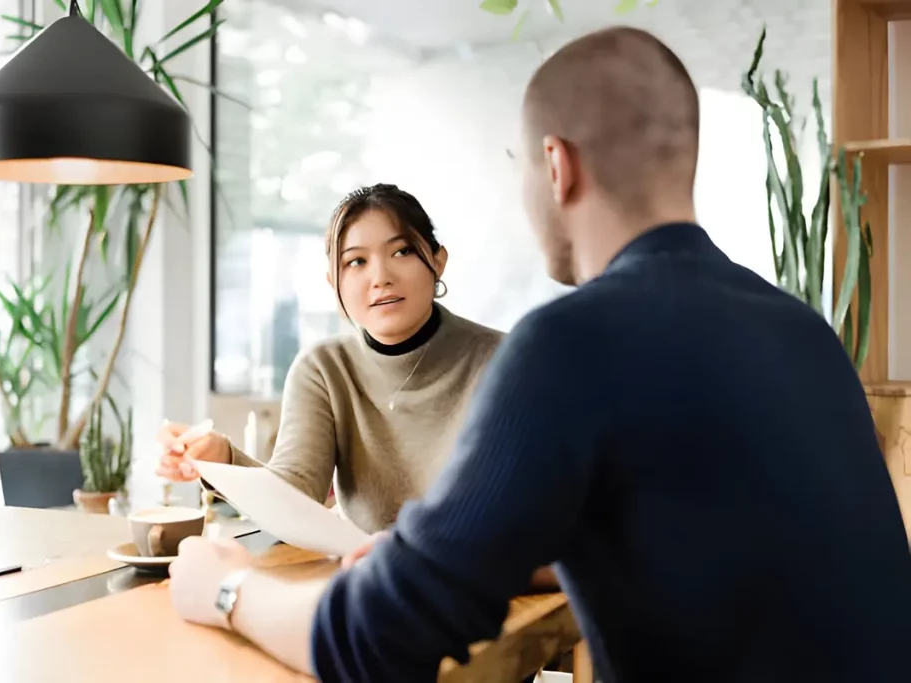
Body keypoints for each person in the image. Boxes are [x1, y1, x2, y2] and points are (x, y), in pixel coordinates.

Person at [168, 26, 911, 682]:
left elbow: (380, 641)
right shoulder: (804, 332)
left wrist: (227, 589)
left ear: (556, 166)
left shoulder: (568, 343)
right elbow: (698, 547)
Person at [157, 183, 504, 535]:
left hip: (478, 575)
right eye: (356, 261)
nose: (381, 277)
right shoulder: (323, 369)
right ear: (333, 281)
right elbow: (295, 494)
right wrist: (222, 459)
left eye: (401, 252)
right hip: (362, 574)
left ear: (438, 260)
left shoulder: (504, 361)